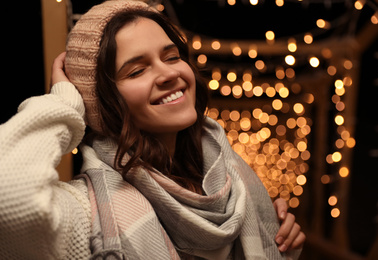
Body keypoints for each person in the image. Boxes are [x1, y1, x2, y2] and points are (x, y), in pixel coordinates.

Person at [0, 0, 305, 259]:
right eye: (137, 70)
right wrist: (65, 103)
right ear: (103, 101)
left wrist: (278, 241)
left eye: (171, 57)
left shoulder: (230, 182)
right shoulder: (84, 212)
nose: (169, 73)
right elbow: (8, 191)